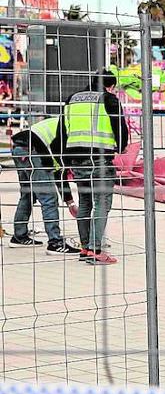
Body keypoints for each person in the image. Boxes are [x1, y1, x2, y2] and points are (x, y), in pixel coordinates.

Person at [58, 69, 128, 266]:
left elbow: (63, 129)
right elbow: (120, 127)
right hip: (99, 160)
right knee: (102, 204)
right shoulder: (109, 99)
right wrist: (121, 147)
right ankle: (96, 250)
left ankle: (85, 248)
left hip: (76, 158)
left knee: (86, 203)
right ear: (110, 85)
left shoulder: (72, 99)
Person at [8, 115, 77, 254]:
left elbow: (58, 171)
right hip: (32, 150)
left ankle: (19, 236)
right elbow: (60, 173)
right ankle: (55, 243)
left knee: (29, 194)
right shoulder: (72, 132)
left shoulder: (65, 123)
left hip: (20, 148)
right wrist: (70, 201)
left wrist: (69, 202)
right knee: (49, 197)